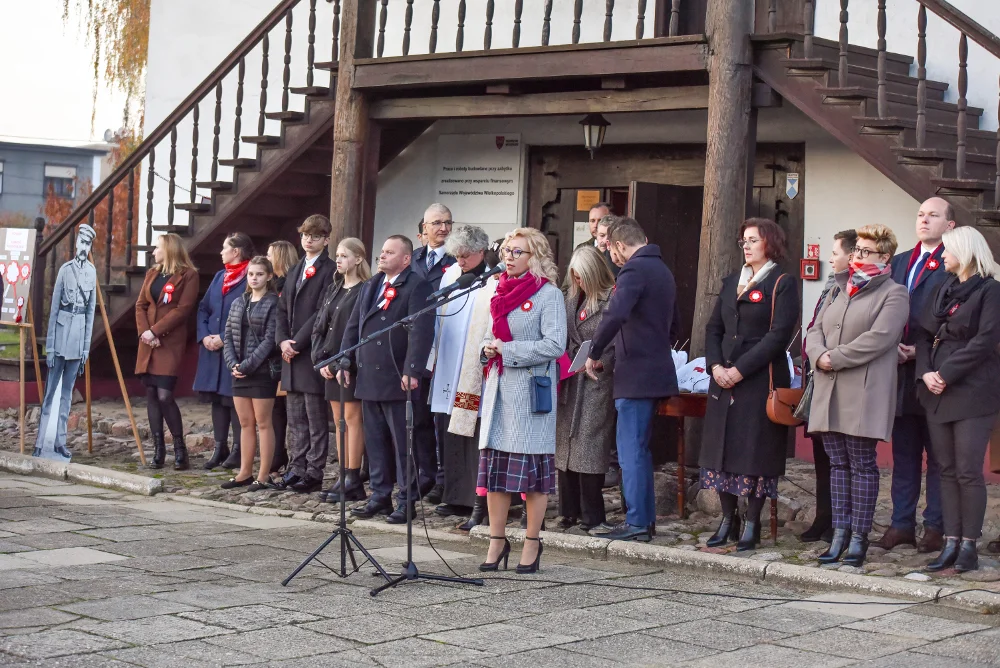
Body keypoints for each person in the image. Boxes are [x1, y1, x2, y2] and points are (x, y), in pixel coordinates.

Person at [806, 224, 909, 567]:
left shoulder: (894, 293)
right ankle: (838, 534)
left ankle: (858, 539)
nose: (857, 256)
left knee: (861, 465)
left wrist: (833, 358)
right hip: (829, 387)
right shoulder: (839, 288)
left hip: (862, 389)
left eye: (865, 252)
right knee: (837, 464)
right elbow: (817, 327)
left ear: (884, 256)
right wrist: (817, 354)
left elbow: (880, 338)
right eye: (856, 251)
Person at [700, 219, 799, 552]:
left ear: (769, 243)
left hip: (759, 379)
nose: (746, 245)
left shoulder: (782, 282)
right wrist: (715, 365)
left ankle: (752, 523)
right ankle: (728, 519)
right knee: (721, 450)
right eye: (743, 240)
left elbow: (778, 335)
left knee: (754, 452)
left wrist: (740, 369)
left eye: (752, 240)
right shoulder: (732, 282)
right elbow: (713, 328)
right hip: (722, 379)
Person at [478, 228, 565, 573]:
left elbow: (555, 345)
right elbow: (490, 334)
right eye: (507, 251)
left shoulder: (549, 295)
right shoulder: (498, 290)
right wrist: (486, 349)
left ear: (536, 258)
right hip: (499, 391)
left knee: (532, 474)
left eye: (517, 252)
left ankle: (532, 541)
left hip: (530, 394)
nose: (508, 257)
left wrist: (508, 350)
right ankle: (496, 541)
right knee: (497, 472)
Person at [586, 217, 678, 542]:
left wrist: (594, 350)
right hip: (655, 368)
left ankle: (637, 521)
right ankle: (644, 519)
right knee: (639, 449)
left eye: (612, 250)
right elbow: (674, 324)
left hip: (637, 373)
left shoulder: (635, 270)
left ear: (620, 245)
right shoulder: (663, 270)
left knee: (631, 451)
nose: (613, 257)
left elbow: (616, 313)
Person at [915, 226, 1000, 573]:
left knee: (967, 471)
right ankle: (950, 541)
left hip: (972, 390)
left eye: (946, 250)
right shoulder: (941, 287)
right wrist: (926, 373)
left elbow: (985, 341)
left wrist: (946, 374)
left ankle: (969, 546)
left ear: (964, 251)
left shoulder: (991, 291)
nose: (941, 256)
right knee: (945, 470)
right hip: (936, 389)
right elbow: (923, 335)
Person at [340, 235, 435, 523]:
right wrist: (346, 359)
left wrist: (413, 369)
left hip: (396, 376)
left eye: (389, 252)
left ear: (406, 259)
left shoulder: (417, 285)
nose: (381, 256)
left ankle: (406, 499)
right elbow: (354, 325)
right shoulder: (372, 285)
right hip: (369, 374)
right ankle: (380, 495)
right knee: (376, 441)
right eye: (381, 251)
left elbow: (422, 330)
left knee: (402, 442)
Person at [877, 197, 953, 553]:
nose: (924, 220)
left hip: (936, 372)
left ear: (949, 225)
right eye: (921, 214)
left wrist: (921, 352)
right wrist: (889, 346)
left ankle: (935, 526)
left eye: (933, 215)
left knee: (938, 455)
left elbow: (955, 321)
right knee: (904, 453)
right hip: (899, 373)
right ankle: (901, 524)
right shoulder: (900, 262)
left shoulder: (954, 264)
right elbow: (883, 309)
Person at [428, 225, 492, 523]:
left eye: (465, 256)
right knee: (449, 428)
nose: (460, 261)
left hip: (473, 365)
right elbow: (440, 320)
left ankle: (474, 496)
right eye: (457, 255)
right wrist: (433, 359)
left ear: (481, 251)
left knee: (473, 430)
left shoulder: (492, 279)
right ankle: (453, 493)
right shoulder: (451, 274)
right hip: (450, 361)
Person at [800, 229, 857, 543]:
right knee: (823, 455)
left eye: (835, 252)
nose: (831, 258)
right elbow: (816, 328)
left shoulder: (854, 288)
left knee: (844, 458)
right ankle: (824, 517)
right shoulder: (829, 287)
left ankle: (842, 523)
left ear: (851, 255)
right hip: (818, 377)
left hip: (840, 379)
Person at [275, 215, 337, 493]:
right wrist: (281, 341)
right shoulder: (295, 268)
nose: (308, 240)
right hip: (289, 352)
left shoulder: (329, 270)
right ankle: (295, 467)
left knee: (315, 418)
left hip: (310, 350)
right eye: (304, 235)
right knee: (295, 417)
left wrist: (297, 342)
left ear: (326, 239)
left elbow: (321, 312)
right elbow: (282, 309)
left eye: (314, 236)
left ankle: (314, 472)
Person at [557, 245, 616, 530]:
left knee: (590, 448)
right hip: (571, 378)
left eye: (582, 277)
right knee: (565, 447)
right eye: (575, 277)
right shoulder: (570, 300)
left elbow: (618, 341)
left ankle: (592, 515)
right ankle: (568, 511)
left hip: (595, 381)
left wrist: (600, 362)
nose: (578, 282)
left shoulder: (611, 299)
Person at [134, 233, 200, 470]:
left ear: (169, 249)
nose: (153, 252)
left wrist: (156, 332)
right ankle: (158, 450)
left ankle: (179, 448)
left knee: (164, 395)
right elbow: (141, 305)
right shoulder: (152, 274)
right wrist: (145, 332)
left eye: (157, 247)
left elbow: (182, 310)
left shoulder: (188, 276)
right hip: (148, 343)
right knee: (151, 393)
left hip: (168, 342)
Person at [313, 237, 371, 503]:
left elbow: (361, 332)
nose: (338, 260)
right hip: (330, 363)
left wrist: (342, 362)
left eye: (344, 255)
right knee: (339, 421)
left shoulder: (365, 289)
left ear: (358, 259)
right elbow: (320, 326)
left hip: (351, 366)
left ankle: (353, 477)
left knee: (352, 419)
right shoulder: (334, 288)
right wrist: (322, 360)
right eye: (337, 255)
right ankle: (342, 474)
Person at [33, 223, 98, 461]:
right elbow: (52, 312)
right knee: (50, 393)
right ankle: (40, 443)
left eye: (87, 243)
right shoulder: (64, 270)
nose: (83, 247)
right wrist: (50, 347)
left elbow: (90, 314)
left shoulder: (92, 273)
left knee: (67, 394)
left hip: (78, 337)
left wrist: (85, 349)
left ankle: (60, 442)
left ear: (90, 246)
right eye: (81, 242)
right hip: (60, 336)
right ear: (76, 243)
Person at [194, 232, 255, 470]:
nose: (221, 252)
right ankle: (220, 447)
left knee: (233, 400)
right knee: (217, 401)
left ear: (236, 251)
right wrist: (205, 336)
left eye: (224, 248)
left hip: (234, 349)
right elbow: (204, 308)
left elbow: (250, 313)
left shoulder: (250, 276)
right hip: (212, 350)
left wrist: (222, 337)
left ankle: (240, 450)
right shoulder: (221, 276)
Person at [411, 203, 458, 505]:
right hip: (417, 349)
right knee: (418, 419)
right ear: (423, 229)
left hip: (445, 347)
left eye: (447, 222)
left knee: (442, 418)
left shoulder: (457, 262)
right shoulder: (413, 260)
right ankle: (423, 475)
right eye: (436, 223)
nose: (443, 228)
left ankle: (444, 479)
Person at [222, 256, 280, 491]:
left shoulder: (273, 303)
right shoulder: (239, 302)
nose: (254, 278)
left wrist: (247, 365)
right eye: (251, 274)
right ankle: (244, 472)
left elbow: (270, 339)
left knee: (263, 423)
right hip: (239, 371)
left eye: (259, 274)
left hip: (261, 371)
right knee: (245, 423)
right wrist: (232, 364)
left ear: (269, 276)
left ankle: (263, 475)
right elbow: (227, 336)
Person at [266, 240, 299, 474]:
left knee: (287, 408)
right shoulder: (273, 283)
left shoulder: (287, 283)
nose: (267, 259)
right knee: (276, 408)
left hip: (284, 352)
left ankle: (287, 455)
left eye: (270, 255)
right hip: (273, 352)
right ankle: (279, 453)